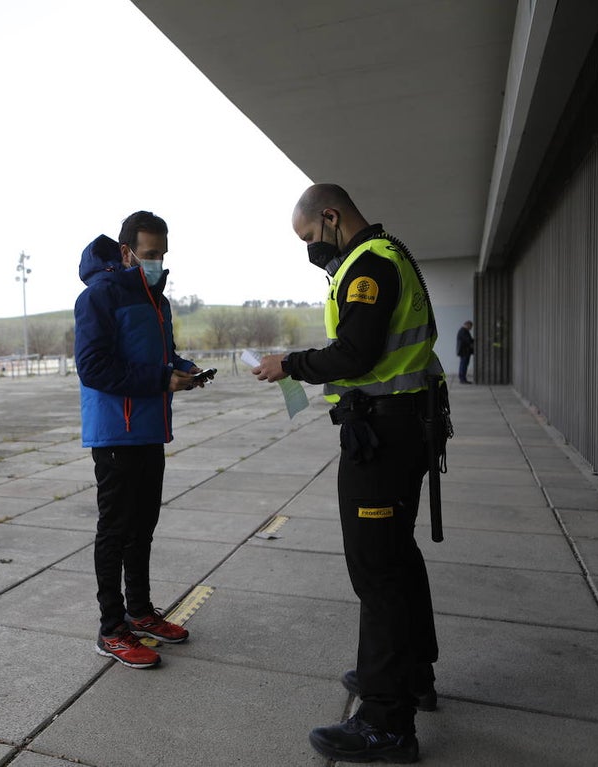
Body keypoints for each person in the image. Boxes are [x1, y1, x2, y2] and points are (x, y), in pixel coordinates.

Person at [252, 184, 446, 763]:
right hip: (400, 425)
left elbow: (355, 354)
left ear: (331, 217)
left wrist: (290, 364)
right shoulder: (389, 253)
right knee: (398, 560)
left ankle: (388, 723)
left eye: (311, 237)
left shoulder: (368, 267)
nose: (312, 249)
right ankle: (410, 675)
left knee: (377, 571)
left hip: (383, 437)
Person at [74, 211, 207, 669]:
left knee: (143, 527)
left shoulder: (157, 299)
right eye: (150, 255)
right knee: (115, 530)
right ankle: (111, 629)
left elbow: (160, 357)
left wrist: (182, 369)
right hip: (115, 431)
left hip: (150, 428)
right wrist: (159, 378)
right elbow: (93, 367)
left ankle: (140, 611)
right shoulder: (99, 297)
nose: (158, 262)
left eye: (163, 255)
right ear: (127, 252)